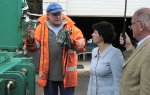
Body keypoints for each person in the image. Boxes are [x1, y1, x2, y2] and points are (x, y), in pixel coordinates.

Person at [26, 2, 85, 95]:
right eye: (54, 14)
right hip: (49, 76)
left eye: (59, 14)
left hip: (67, 77)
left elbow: (81, 47)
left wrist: (72, 42)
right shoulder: (40, 28)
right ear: (48, 15)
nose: (58, 16)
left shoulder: (72, 28)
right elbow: (34, 48)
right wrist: (30, 40)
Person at [87, 21, 124, 95]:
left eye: (95, 32)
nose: (92, 34)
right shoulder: (94, 51)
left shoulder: (115, 53)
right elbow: (92, 78)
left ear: (102, 35)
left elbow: (118, 81)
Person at [120, 8, 150, 95]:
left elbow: (147, 91)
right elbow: (138, 64)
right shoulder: (144, 45)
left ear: (141, 26)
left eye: (132, 24)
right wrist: (129, 46)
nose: (130, 27)